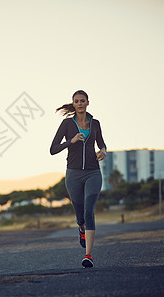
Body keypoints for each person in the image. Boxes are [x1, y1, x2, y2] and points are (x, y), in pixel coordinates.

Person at [50, 90, 106, 268]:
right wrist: (71, 141)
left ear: (88, 102)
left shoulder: (95, 123)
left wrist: (103, 151)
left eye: (83, 101)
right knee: (80, 216)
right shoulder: (67, 124)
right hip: (73, 174)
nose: (80, 103)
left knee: (89, 211)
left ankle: (88, 255)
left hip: (93, 173)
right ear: (73, 104)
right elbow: (53, 149)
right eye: (77, 101)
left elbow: (101, 143)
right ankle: (81, 228)